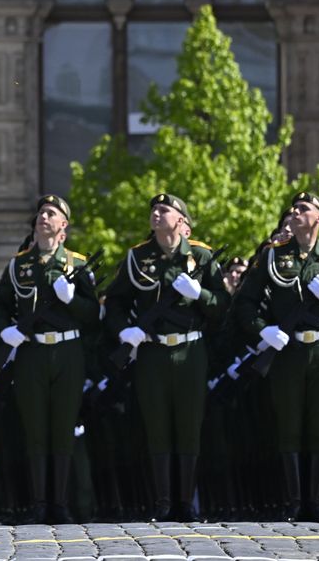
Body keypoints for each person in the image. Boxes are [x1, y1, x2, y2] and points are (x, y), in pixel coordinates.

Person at [232, 191, 319, 522]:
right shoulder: (274, 257)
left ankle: (314, 502)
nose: (295, 211)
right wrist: (263, 330)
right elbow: (245, 302)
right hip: (287, 351)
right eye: (294, 207)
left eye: (304, 208)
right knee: (288, 425)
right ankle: (293, 502)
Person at [104, 193, 224, 521]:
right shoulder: (136, 258)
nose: (156, 214)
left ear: (182, 221)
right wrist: (125, 331)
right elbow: (114, 302)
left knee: (188, 426)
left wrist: (201, 294)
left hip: (190, 350)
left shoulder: (202, 257)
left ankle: (185, 503)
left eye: (164, 209)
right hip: (153, 351)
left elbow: (224, 306)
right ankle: (162, 503)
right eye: (153, 210)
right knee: (156, 425)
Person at [0, 195, 96, 524]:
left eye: (51, 213)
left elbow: (93, 317)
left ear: (63, 226)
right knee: (35, 429)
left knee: (62, 428)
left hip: (67, 352)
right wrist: (6, 332)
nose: (43, 217)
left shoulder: (78, 264)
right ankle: (39, 503)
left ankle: (59, 504)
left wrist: (72, 300)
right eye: (41, 213)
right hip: (32, 352)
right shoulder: (19, 265)